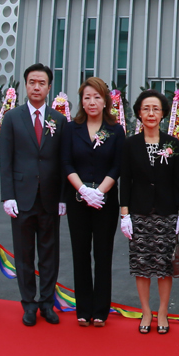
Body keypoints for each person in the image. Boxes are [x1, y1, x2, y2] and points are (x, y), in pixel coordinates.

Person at [0, 64, 68, 327]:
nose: (36, 87)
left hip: (50, 199)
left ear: (49, 87)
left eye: (42, 83)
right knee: (24, 254)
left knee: (49, 254)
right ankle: (28, 303)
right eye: (32, 82)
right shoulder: (12, 118)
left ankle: (47, 303)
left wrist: (62, 197)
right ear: (25, 86)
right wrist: (8, 196)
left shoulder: (58, 120)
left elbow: (63, 162)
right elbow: (5, 160)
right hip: (22, 197)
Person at [120, 89, 179, 335]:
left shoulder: (172, 143)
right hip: (139, 212)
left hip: (167, 212)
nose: (151, 113)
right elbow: (125, 180)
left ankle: (163, 312)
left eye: (156, 109)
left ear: (163, 113)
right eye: (146, 108)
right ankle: (146, 311)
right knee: (142, 265)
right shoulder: (130, 144)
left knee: (165, 265)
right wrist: (124, 214)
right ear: (138, 112)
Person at [62, 76, 124, 326]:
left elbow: (118, 165)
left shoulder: (115, 129)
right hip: (77, 200)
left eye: (97, 97)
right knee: (80, 253)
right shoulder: (71, 128)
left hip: (105, 202)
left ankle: (100, 309)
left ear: (105, 100)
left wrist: (99, 191)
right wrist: (83, 190)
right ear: (81, 101)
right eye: (87, 97)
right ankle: (83, 308)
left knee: (103, 254)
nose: (92, 102)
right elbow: (66, 162)